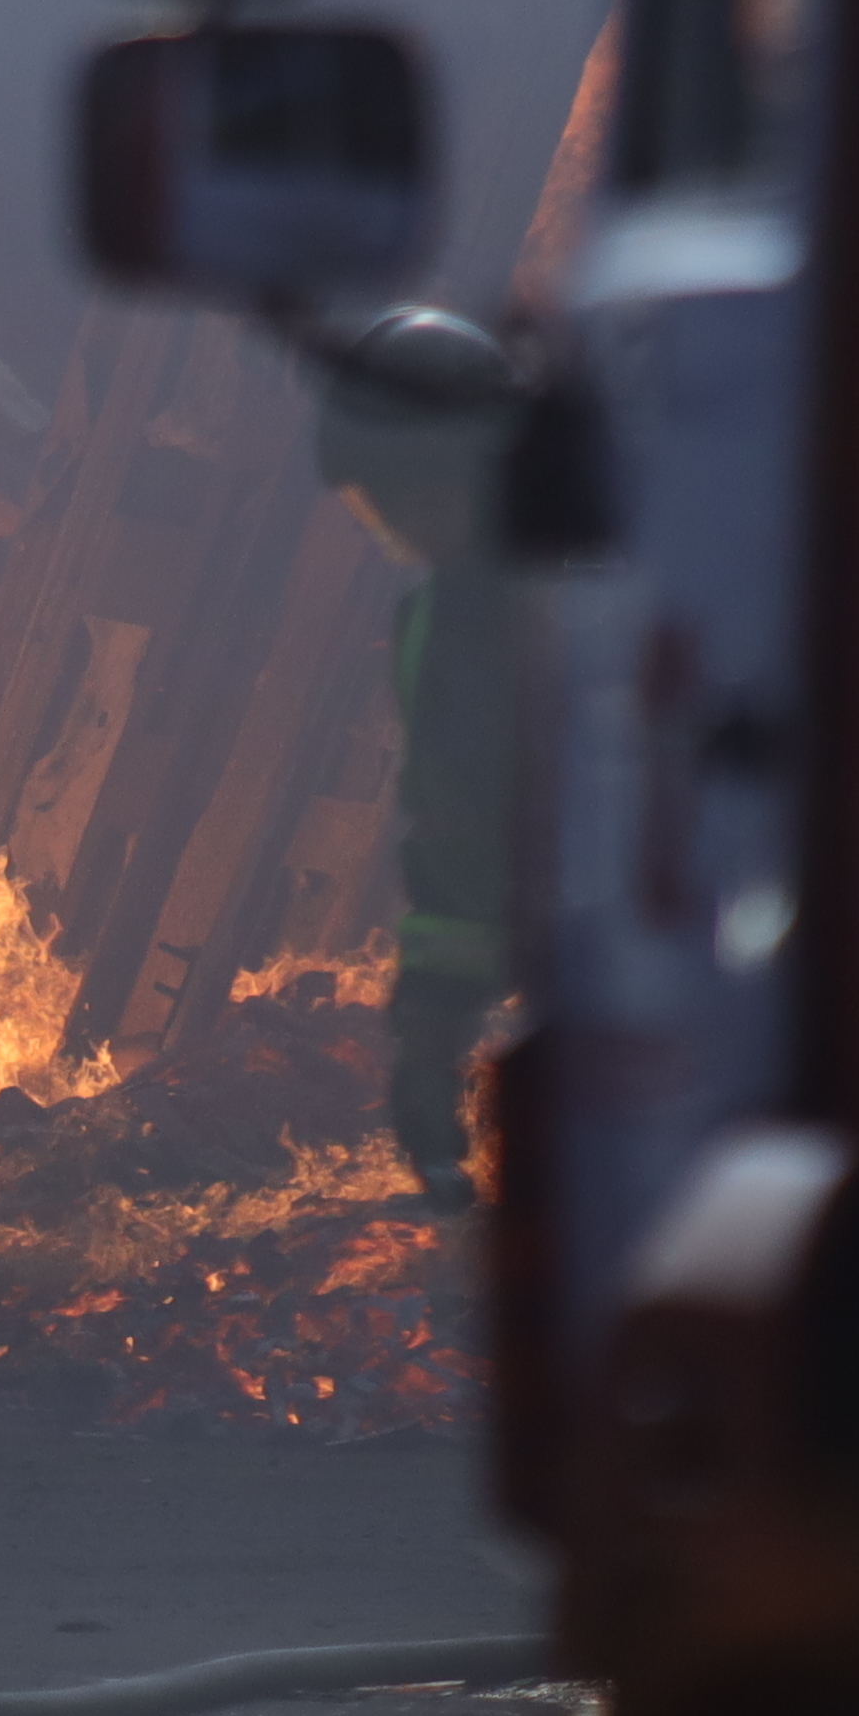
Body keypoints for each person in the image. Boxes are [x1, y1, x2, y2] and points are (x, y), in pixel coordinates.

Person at [315, 307, 523, 1197]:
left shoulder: (617, 585)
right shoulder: (432, 626)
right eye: (377, 500)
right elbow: (455, 837)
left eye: (404, 492)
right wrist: (431, 1035)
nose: (392, 522)